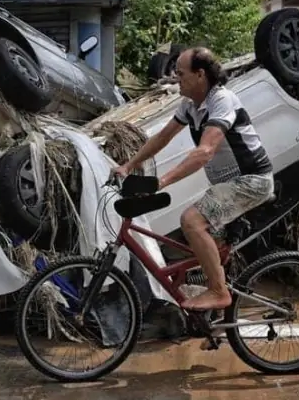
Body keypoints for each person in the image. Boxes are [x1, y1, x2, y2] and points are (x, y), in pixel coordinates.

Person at [111, 47, 275, 311]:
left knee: (191, 221)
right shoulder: (191, 106)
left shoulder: (222, 101)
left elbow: (205, 152)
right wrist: (128, 165)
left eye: (181, 74)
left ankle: (219, 292)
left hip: (250, 181)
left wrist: (161, 182)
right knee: (209, 251)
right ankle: (215, 320)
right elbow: (162, 138)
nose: (177, 79)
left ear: (200, 75)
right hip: (227, 185)